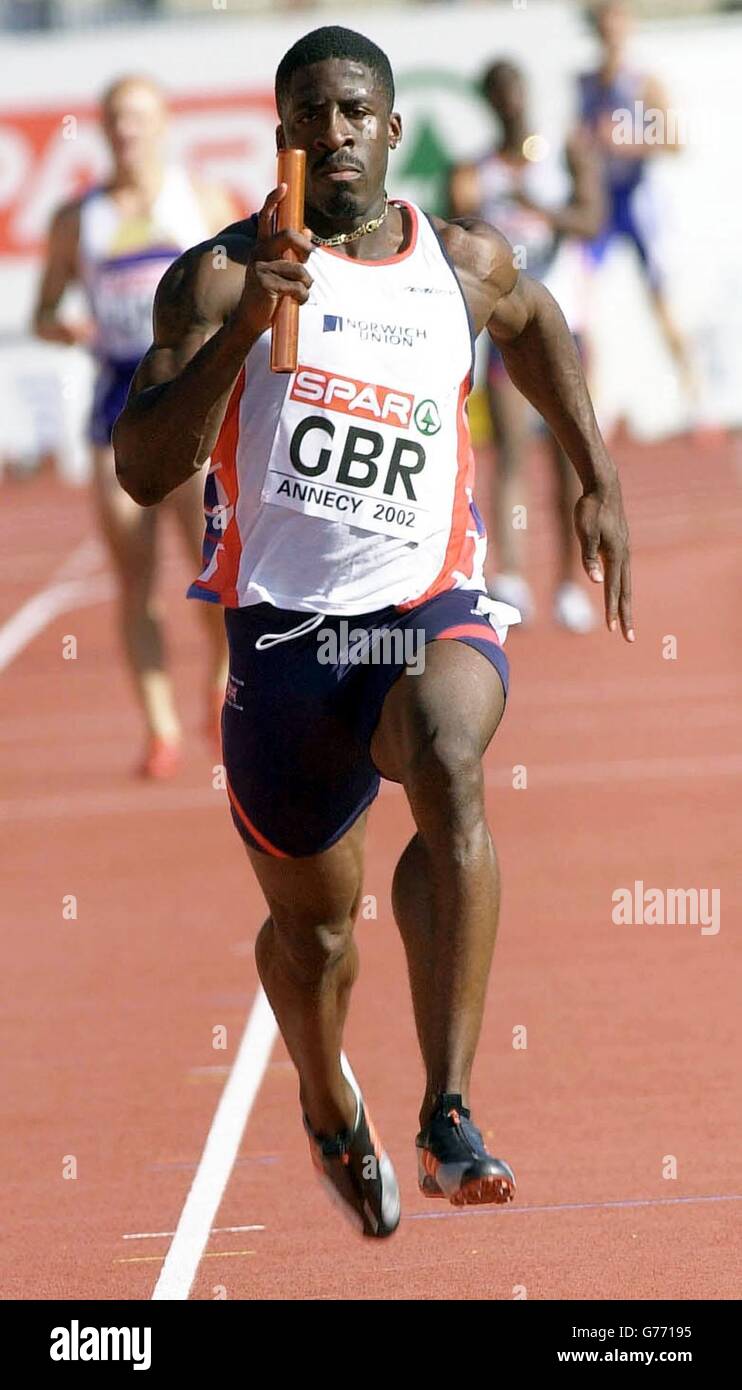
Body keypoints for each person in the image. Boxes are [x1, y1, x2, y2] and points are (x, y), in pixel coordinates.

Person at [114, 26, 633, 1238]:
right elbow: (144, 467)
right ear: (281, 131)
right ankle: (323, 1094)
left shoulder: (460, 265)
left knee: (449, 752)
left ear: (393, 130)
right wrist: (247, 332)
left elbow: (538, 322)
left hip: (422, 608)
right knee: (314, 936)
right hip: (285, 648)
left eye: (356, 111)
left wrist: (594, 473)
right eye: (310, 113)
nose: (334, 132)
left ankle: (448, 1107)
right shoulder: (220, 276)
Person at [33, 75, 235, 778]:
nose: (127, 131)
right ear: (102, 128)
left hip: (186, 398)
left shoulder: (200, 201)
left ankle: (217, 681)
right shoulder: (77, 219)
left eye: (139, 118)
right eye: (116, 119)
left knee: (208, 571)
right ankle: (160, 728)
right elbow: (43, 310)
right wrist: (64, 326)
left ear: (163, 122)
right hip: (116, 402)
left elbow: (247, 290)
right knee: (134, 578)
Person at [450, 59, 604, 632]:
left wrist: (544, 212)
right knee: (511, 447)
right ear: (488, 103)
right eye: (496, 96)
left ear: (526, 94)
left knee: (566, 453)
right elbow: (456, 236)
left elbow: (593, 218)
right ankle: (511, 574)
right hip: (506, 327)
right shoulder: (478, 169)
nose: (508, 103)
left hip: (564, 323)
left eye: (514, 92)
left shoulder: (560, 153)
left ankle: (571, 579)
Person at [578, 0, 694, 401]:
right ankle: (592, 401)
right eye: (603, 25)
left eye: (615, 24)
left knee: (660, 298)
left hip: (638, 200)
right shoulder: (585, 82)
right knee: (582, 300)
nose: (609, 34)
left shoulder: (644, 82)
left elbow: (676, 142)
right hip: (602, 203)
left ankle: (695, 392)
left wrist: (625, 141)